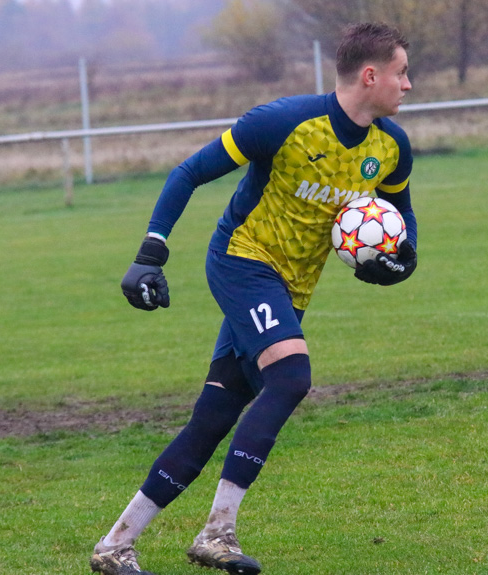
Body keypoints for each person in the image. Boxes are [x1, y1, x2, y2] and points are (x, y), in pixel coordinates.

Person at [90, 21, 418, 575]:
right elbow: (190, 172)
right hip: (242, 260)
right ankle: (219, 533)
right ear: (370, 75)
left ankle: (114, 544)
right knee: (291, 376)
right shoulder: (284, 122)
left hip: (292, 287)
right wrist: (151, 252)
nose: (408, 85)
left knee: (213, 418)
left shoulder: (391, 147)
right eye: (402, 72)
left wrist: (402, 259)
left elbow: (401, 215)